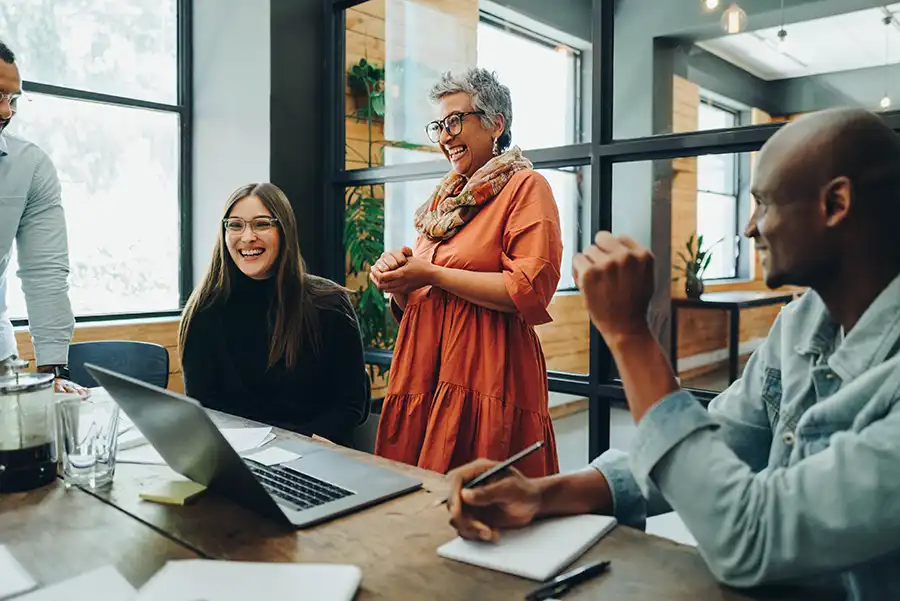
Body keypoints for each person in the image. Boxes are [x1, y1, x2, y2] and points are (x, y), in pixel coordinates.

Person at [444, 108, 900, 600]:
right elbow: (715, 444)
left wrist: (630, 336)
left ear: (835, 203)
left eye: (763, 204)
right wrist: (543, 493)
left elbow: (750, 535)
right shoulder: (801, 323)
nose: (749, 228)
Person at [369, 68, 562, 477]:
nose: (445, 136)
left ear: (496, 124)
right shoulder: (441, 204)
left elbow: (527, 290)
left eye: (455, 120)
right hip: (424, 370)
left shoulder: (526, 187)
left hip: (487, 374)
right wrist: (399, 282)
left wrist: (432, 274)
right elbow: (419, 300)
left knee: (484, 502)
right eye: (439, 125)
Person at [178, 182, 369, 447]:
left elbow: (352, 404)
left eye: (261, 224)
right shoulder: (204, 310)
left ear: (284, 230)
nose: (247, 237)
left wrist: (301, 445)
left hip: (314, 455)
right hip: (237, 460)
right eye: (235, 225)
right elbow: (205, 409)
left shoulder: (329, 303)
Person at [0, 40, 84, 395]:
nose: (6, 112)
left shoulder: (30, 166)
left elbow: (45, 274)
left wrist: (53, 374)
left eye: (12, 99)